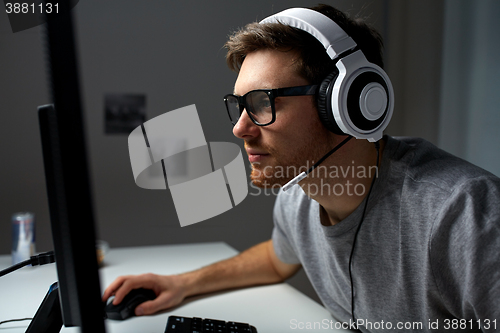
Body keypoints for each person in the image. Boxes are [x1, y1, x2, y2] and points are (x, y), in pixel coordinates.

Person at [103, 4, 500, 331]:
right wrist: (179, 284)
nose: (239, 128)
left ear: (348, 105)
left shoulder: (465, 214)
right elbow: (278, 258)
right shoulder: (298, 196)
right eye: (239, 105)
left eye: (262, 102)